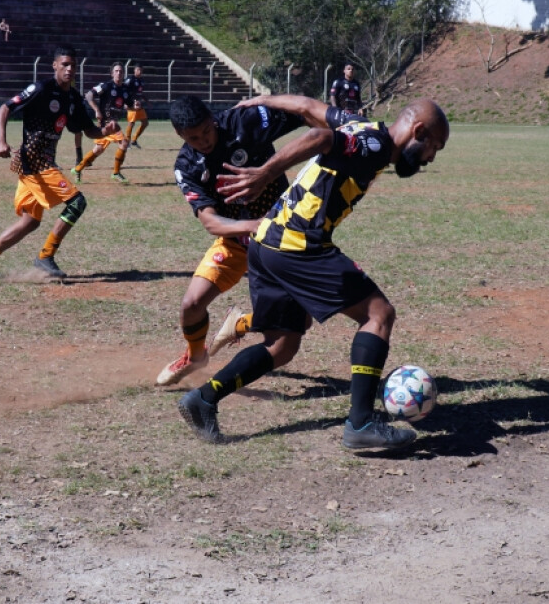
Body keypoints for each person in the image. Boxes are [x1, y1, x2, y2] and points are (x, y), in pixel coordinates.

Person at [177, 93, 450, 450]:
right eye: (435, 147)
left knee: (282, 346)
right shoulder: (375, 143)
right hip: (298, 243)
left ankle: (202, 399)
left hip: (266, 241)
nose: (430, 158)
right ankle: (361, 424)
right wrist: (265, 173)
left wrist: (266, 99)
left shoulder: (359, 123)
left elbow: (307, 108)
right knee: (379, 314)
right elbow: (320, 137)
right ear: (418, 130)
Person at [155, 95, 307, 386]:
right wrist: (254, 225)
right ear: (180, 135)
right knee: (191, 304)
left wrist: (268, 100)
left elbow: (303, 113)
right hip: (236, 240)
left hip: (281, 241)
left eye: (206, 132)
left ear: (213, 119)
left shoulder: (244, 122)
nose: (204, 141)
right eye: (194, 138)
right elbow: (211, 221)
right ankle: (196, 354)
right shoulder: (186, 164)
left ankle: (237, 324)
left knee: (297, 324)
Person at [0, 47, 118, 279]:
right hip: (34, 162)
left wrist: (104, 131)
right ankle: (45, 256)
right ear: (55, 66)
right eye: (65, 64)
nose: (69, 69)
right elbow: (5, 108)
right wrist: (1, 141)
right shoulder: (41, 89)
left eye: (73, 65)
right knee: (77, 203)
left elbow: (88, 130)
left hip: (41, 163)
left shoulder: (72, 98)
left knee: (30, 222)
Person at [72, 62, 134, 184]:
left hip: (112, 124)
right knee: (124, 143)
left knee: (98, 150)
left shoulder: (125, 90)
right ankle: (116, 173)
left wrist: (135, 105)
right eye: (116, 71)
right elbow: (89, 95)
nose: (119, 73)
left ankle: (78, 169)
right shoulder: (106, 86)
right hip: (107, 124)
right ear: (112, 74)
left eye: (121, 71)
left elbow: (130, 105)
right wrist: (96, 110)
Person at [123, 65, 149, 148]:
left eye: (141, 70)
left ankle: (134, 140)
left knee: (145, 123)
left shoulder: (141, 80)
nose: (140, 71)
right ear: (134, 70)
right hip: (131, 104)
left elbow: (140, 92)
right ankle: (127, 142)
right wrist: (126, 102)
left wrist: (147, 101)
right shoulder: (130, 79)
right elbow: (123, 90)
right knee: (131, 123)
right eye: (138, 70)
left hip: (139, 104)